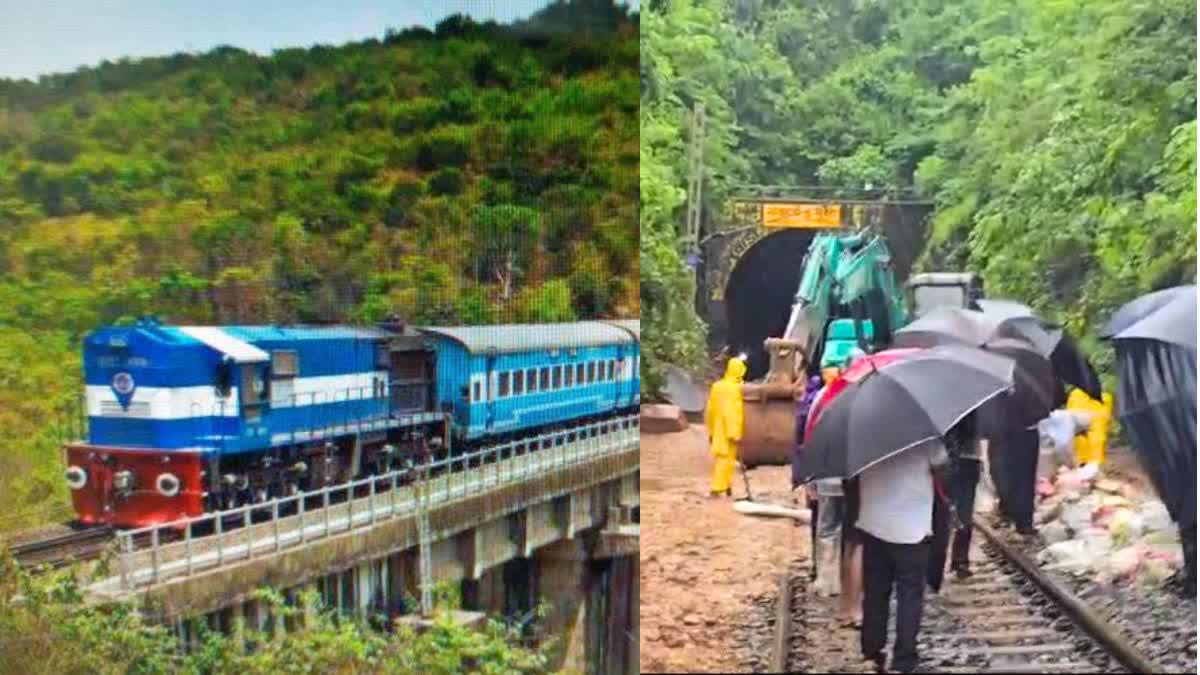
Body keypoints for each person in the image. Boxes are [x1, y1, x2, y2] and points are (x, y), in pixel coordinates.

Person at [858, 437, 949, 674]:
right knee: (910, 595)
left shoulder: (863, 432)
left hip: (874, 521)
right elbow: (942, 462)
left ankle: (871, 648)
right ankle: (904, 658)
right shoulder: (924, 433)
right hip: (912, 528)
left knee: (875, 591)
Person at [928, 415, 982, 591]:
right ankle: (961, 561)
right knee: (964, 511)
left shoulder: (937, 401)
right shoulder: (974, 398)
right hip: (968, 458)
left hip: (945, 460)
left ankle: (934, 573)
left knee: (940, 518)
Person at [705, 355, 746, 498]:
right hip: (730, 428)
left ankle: (727, 486)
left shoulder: (717, 386)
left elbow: (710, 409)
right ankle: (716, 488)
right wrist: (735, 433)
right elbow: (733, 412)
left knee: (725, 458)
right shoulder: (736, 389)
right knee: (726, 458)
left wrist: (710, 428)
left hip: (717, 427)